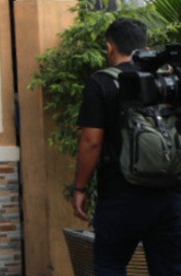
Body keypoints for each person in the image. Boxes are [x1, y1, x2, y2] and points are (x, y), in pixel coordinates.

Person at [71, 17, 181, 275]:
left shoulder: (102, 82)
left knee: (109, 265)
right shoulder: (168, 82)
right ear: (145, 45)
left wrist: (80, 188)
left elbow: (91, 142)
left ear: (110, 47)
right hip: (169, 195)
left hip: (120, 195)